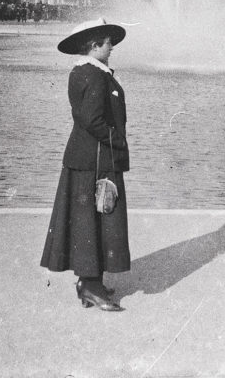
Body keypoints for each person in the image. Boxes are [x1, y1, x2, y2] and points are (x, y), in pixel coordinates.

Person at [40, 17, 130, 312]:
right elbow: (91, 120)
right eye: (107, 42)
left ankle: (90, 282)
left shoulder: (88, 72)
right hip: (95, 159)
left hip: (88, 157)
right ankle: (90, 286)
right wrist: (118, 141)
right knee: (95, 218)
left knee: (90, 220)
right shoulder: (93, 75)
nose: (111, 47)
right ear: (94, 46)